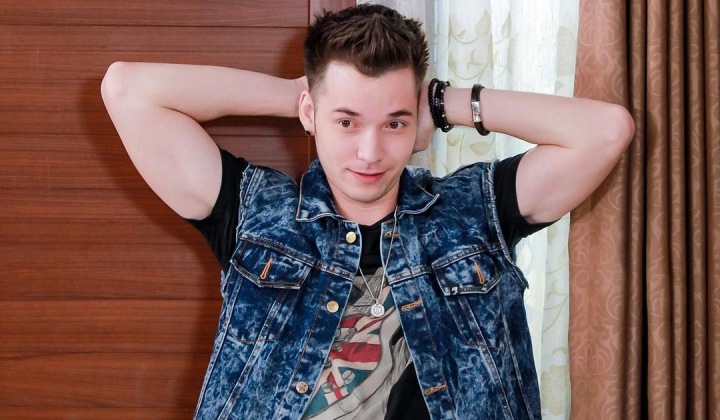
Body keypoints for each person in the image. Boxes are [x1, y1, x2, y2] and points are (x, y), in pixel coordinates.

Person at [101, 4, 633, 419]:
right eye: (347, 122)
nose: (370, 152)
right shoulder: (255, 212)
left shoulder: (473, 211)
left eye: (394, 123)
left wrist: (444, 102)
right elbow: (127, 90)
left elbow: (606, 131)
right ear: (312, 114)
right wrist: (299, 97)